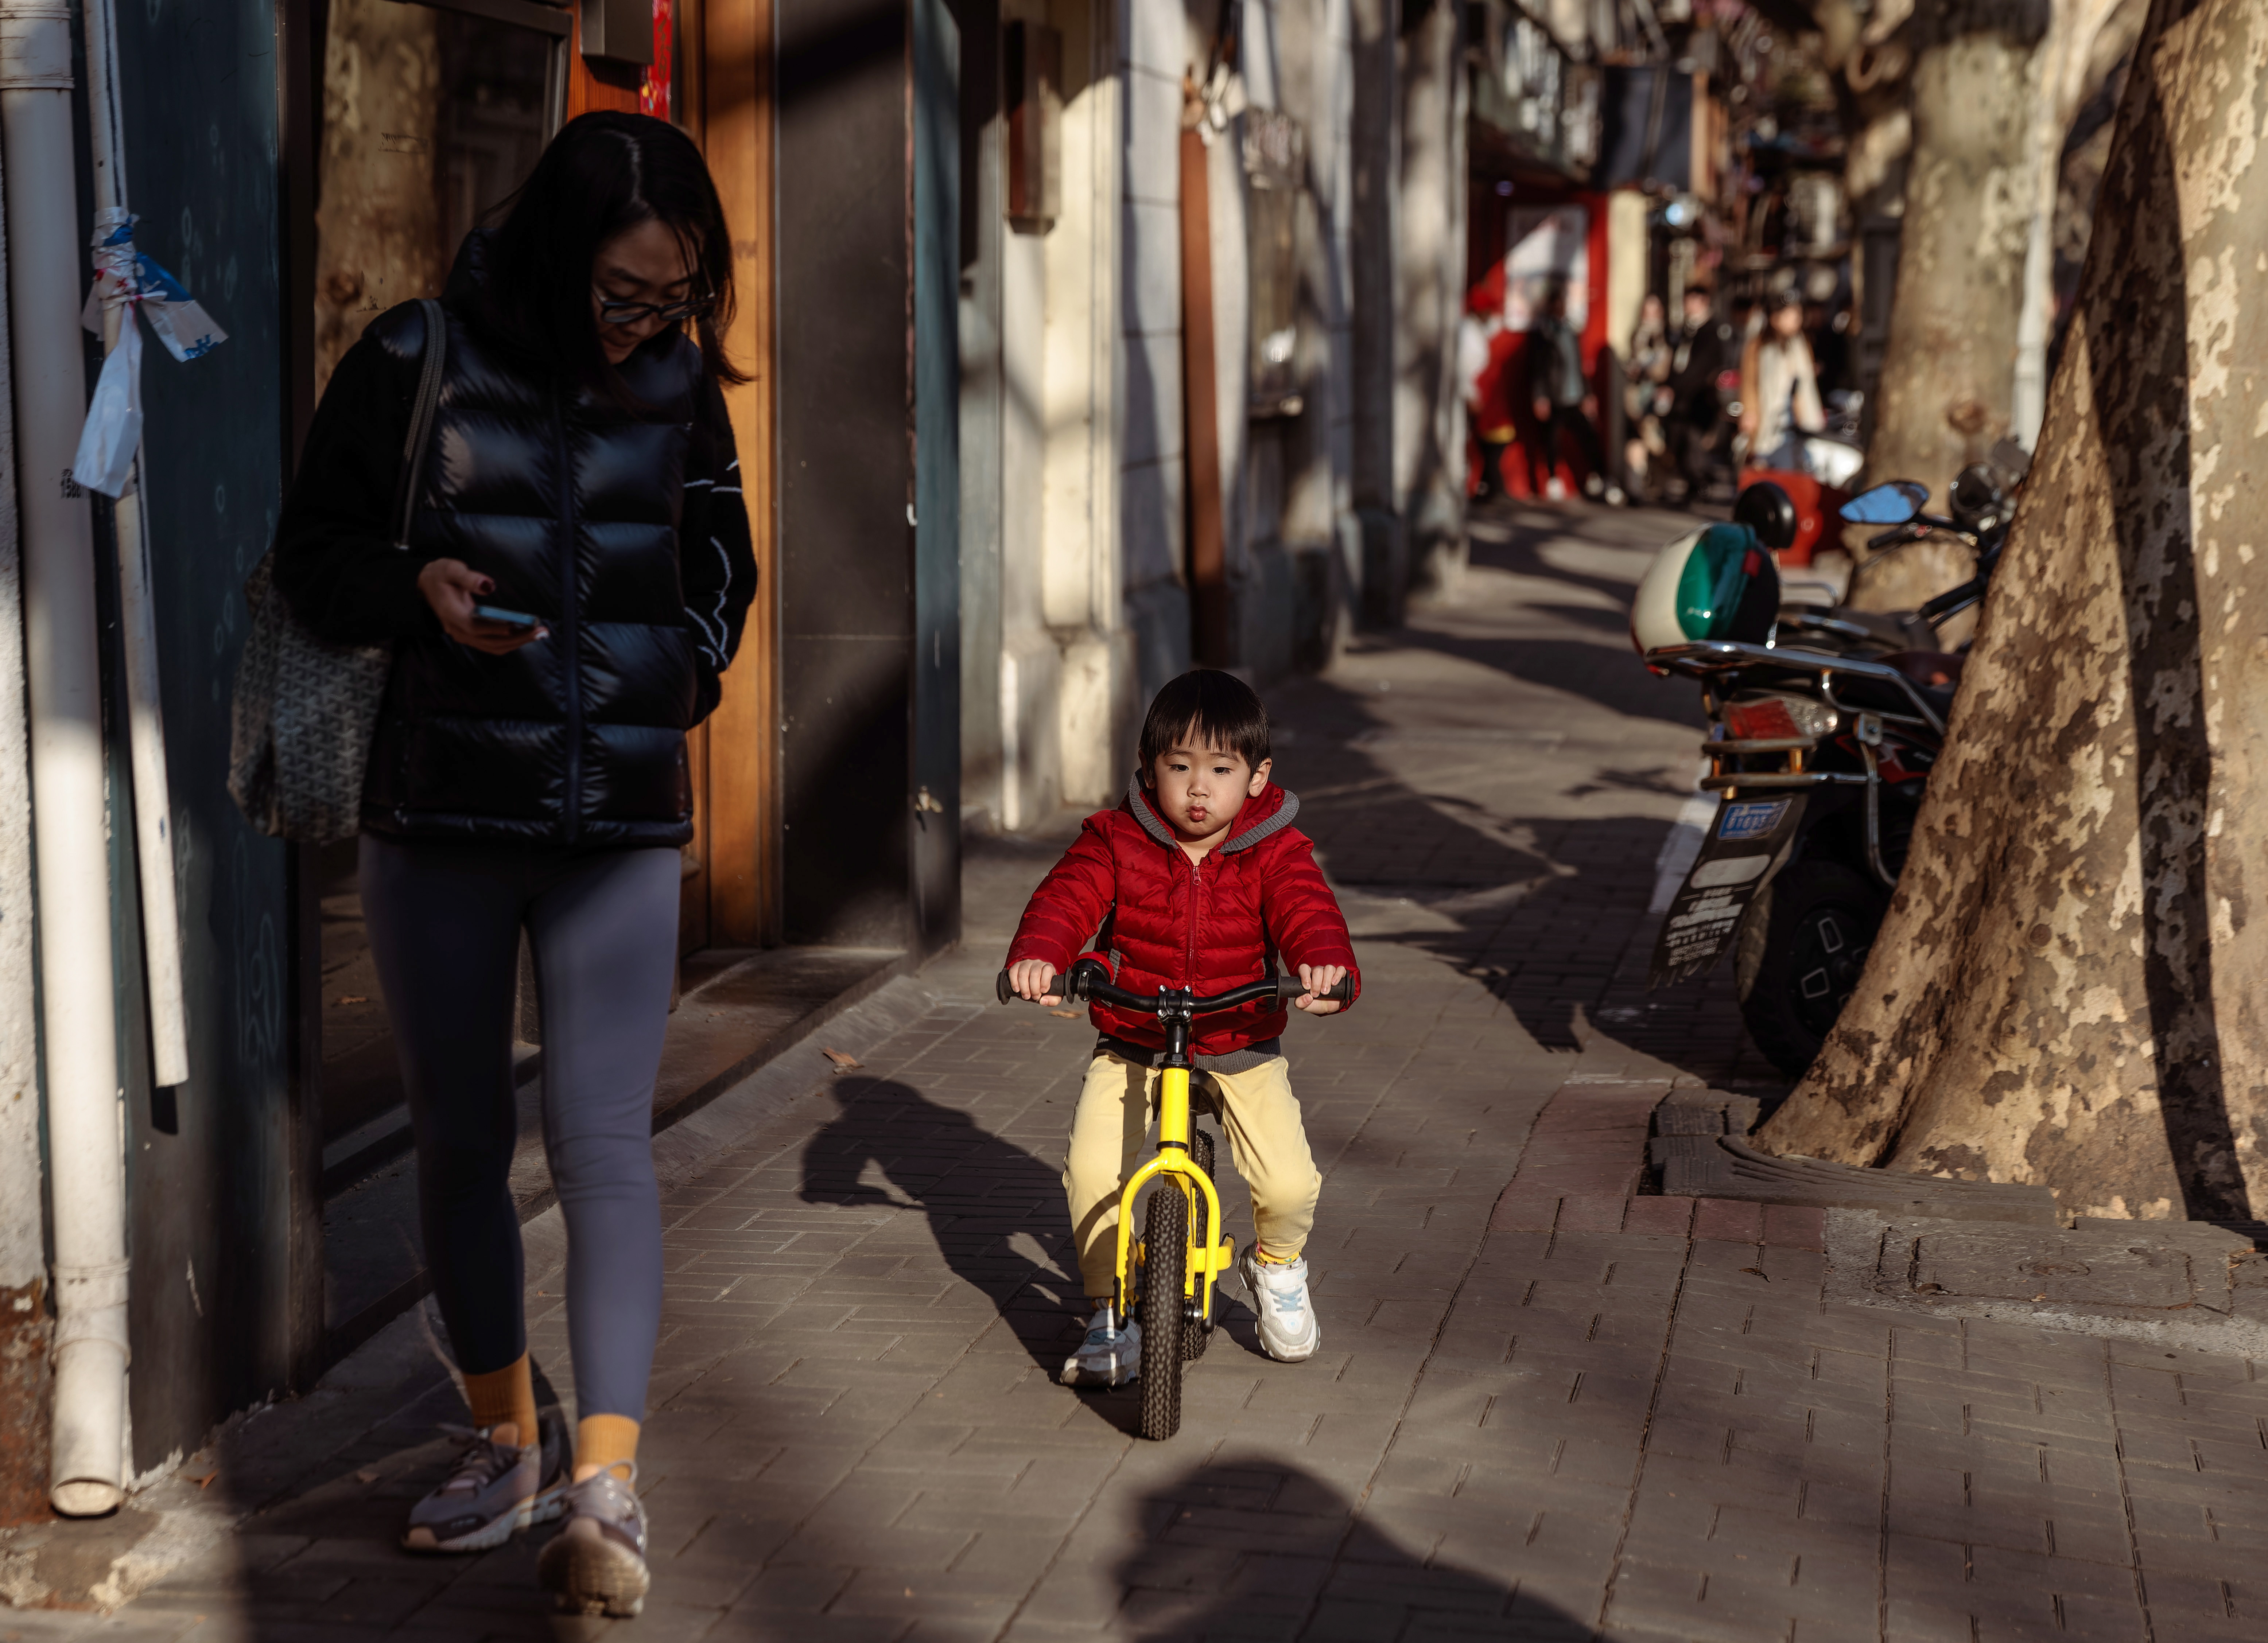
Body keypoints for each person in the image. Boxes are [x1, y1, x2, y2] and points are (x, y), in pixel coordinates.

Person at [273, 110, 755, 1619]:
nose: (644, 324)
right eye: (622, 292)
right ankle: (505, 1440)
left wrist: (686, 666)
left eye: (670, 299)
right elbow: (314, 552)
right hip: (441, 816)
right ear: (555, 253)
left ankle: (605, 1481)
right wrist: (416, 587)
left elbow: (723, 562)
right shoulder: (414, 358)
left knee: (604, 1143)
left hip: (618, 820)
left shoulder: (682, 383)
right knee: (461, 1140)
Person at [1002, 670, 1360, 1385]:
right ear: (1147, 768)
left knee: (1288, 1180)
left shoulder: (1274, 851)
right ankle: (1108, 1310)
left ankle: (1277, 1267)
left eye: (1220, 770)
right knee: (1093, 1172)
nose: (1198, 789)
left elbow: (1306, 910)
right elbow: (1066, 898)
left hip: (1238, 1039)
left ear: (1256, 777)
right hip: (1135, 1034)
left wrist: (1323, 964)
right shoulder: (1116, 841)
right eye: (1179, 768)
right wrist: (1041, 956)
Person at [1526, 281, 1614, 502]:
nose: (1561, 309)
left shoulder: (1570, 332)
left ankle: (1599, 478)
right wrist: (1540, 396)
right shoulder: (1543, 334)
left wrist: (1588, 394)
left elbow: (1579, 365)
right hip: (1554, 397)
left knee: (1589, 437)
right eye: (1557, 305)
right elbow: (1537, 369)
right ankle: (1553, 480)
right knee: (1552, 440)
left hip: (1575, 395)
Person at [1665, 283, 1738, 504]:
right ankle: (1695, 484)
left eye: (1691, 301)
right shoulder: (1687, 331)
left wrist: (1676, 387)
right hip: (1682, 398)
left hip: (1698, 398)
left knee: (1693, 446)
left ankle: (1700, 486)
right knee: (1678, 443)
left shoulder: (1712, 332)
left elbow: (1700, 368)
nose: (1687, 306)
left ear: (1702, 302)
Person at [1741, 290, 1826, 472]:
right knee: (1766, 460)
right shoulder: (1759, 345)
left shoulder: (1801, 343)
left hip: (1796, 417)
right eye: (1789, 315)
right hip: (1768, 413)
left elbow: (1806, 385)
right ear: (1775, 318)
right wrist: (1749, 412)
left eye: (1797, 314)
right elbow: (1749, 381)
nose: (1795, 319)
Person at [1624, 293, 1672, 501]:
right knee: (1637, 440)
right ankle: (1636, 487)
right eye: (1647, 311)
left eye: (1655, 311)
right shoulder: (1638, 336)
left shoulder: (1667, 336)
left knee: (1656, 442)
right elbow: (1633, 362)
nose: (1650, 316)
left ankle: (1658, 485)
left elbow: (1664, 370)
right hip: (1637, 398)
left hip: (1659, 398)